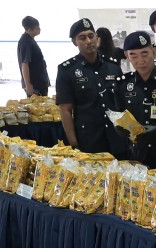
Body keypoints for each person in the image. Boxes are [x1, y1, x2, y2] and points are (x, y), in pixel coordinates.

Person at [56, 19, 125, 155]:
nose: (88, 41)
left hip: (116, 137)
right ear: (75, 42)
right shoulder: (67, 70)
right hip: (89, 139)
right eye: (82, 38)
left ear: (97, 38)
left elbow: (122, 103)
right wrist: (74, 144)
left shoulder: (113, 66)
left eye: (91, 36)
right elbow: (65, 110)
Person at [114, 31, 156, 168]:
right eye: (133, 56)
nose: (140, 61)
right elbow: (119, 115)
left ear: (154, 52)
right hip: (136, 156)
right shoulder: (123, 85)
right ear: (127, 56)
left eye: (144, 54)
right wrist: (119, 128)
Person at [18, 16, 49, 97]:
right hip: (35, 86)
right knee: (37, 105)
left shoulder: (30, 40)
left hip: (40, 83)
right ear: (29, 30)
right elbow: (24, 64)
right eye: (37, 28)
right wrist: (28, 85)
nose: (39, 29)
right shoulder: (25, 42)